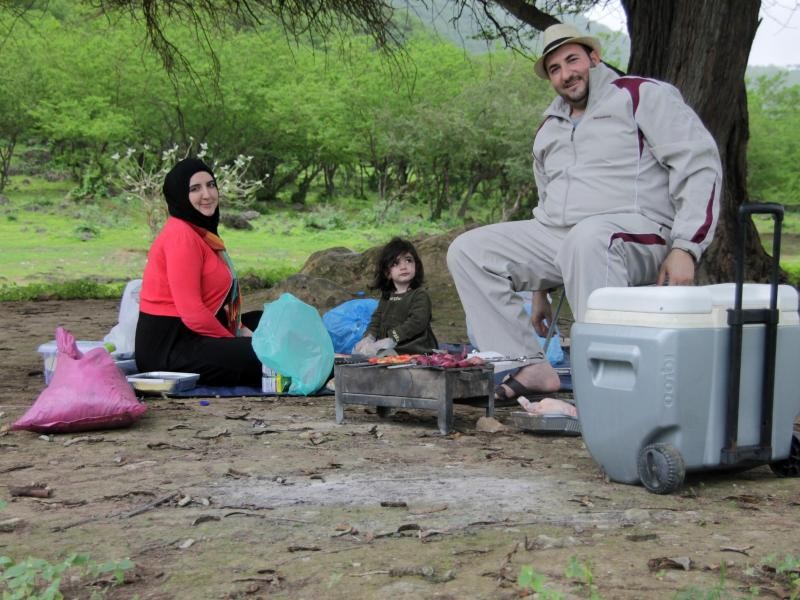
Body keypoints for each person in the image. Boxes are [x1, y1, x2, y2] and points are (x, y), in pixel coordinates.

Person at [447, 23, 722, 415]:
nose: (565, 73)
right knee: (469, 250)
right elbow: (548, 203)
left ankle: (611, 391)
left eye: (572, 59)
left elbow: (698, 164)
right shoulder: (548, 128)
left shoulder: (640, 95)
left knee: (589, 237)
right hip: (566, 236)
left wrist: (686, 248)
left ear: (593, 57)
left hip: (638, 230)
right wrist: (541, 290)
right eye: (555, 68)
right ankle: (529, 366)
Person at [135, 157, 264, 386]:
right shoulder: (181, 236)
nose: (207, 194)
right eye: (195, 189)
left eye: (211, 185)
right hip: (170, 349)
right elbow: (193, 313)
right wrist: (234, 342)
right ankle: (332, 367)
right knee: (266, 353)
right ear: (179, 195)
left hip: (196, 334)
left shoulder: (201, 233)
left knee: (269, 321)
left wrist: (241, 329)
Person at [354, 237, 438, 356]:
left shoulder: (419, 295)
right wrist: (369, 337)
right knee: (359, 353)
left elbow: (417, 322)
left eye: (408, 260)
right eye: (396, 263)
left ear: (416, 266)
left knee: (382, 358)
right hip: (390, 347)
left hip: (415, 349)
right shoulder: (387, 296)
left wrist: (392, 338)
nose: (403, 266)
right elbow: (376, 320)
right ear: (387, 272)